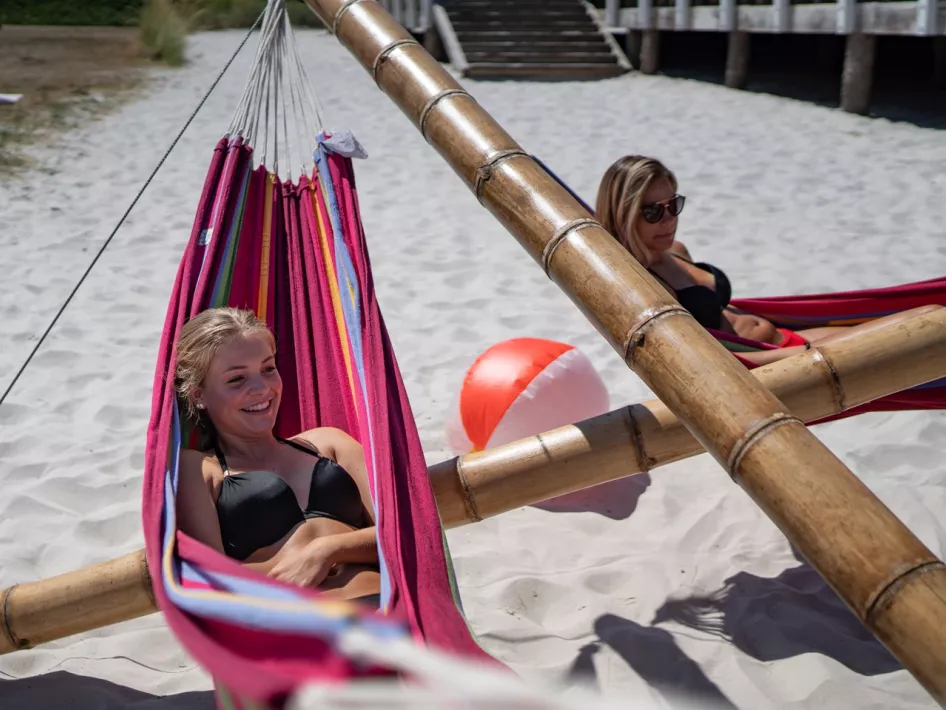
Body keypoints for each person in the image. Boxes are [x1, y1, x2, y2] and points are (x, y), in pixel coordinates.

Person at [594, 155, 939, 365]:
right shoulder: (643, 286)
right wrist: (797, 357)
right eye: (652, 212)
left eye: (674, 205)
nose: (669, 220)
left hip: (788, 336)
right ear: (623, 214)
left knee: (927, 316)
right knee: (928, 321)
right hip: (780, 359)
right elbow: (705, 361)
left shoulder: (676, 249)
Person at [173, 307, 380, 605]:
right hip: (298, 634)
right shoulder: (199, 470)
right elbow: (213, 584)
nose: (262, 389)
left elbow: (403, 531)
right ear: (198, 395)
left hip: (387, 615)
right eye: (236, 379)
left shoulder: (329, 443)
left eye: (268, 368)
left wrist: (329, 550)